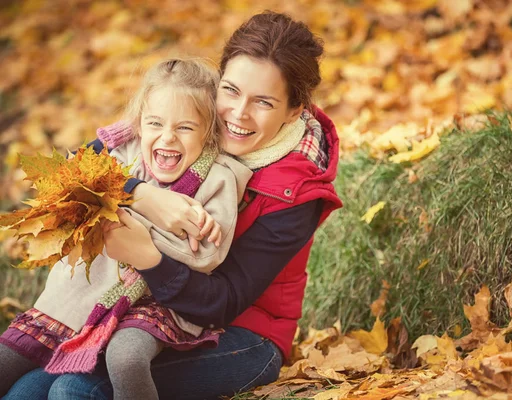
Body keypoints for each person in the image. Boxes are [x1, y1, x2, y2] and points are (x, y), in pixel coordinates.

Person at [2, 11, 342, 400]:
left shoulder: (297, 191)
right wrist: (143, 194)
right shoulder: (186, 126)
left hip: (242, 333)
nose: (238, 113)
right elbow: (81, 165)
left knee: (75, 389)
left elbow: (222, 303)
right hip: (144, 307)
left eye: (263, 102)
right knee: (27, 387)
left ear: (294, 110)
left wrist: (149, 257)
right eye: (230, 90)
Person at [0, 58, 251, 399]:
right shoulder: (121, 155)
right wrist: (141, 201)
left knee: (126, 357)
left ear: (208, 132)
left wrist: (127, 229)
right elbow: (70, 176)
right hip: (84, 294)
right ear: (138, 124)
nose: (168, 137)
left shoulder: (218, 178)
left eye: (186, 127)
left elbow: (204, 254)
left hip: (156, 303)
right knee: (7, 362)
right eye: (155, 123)